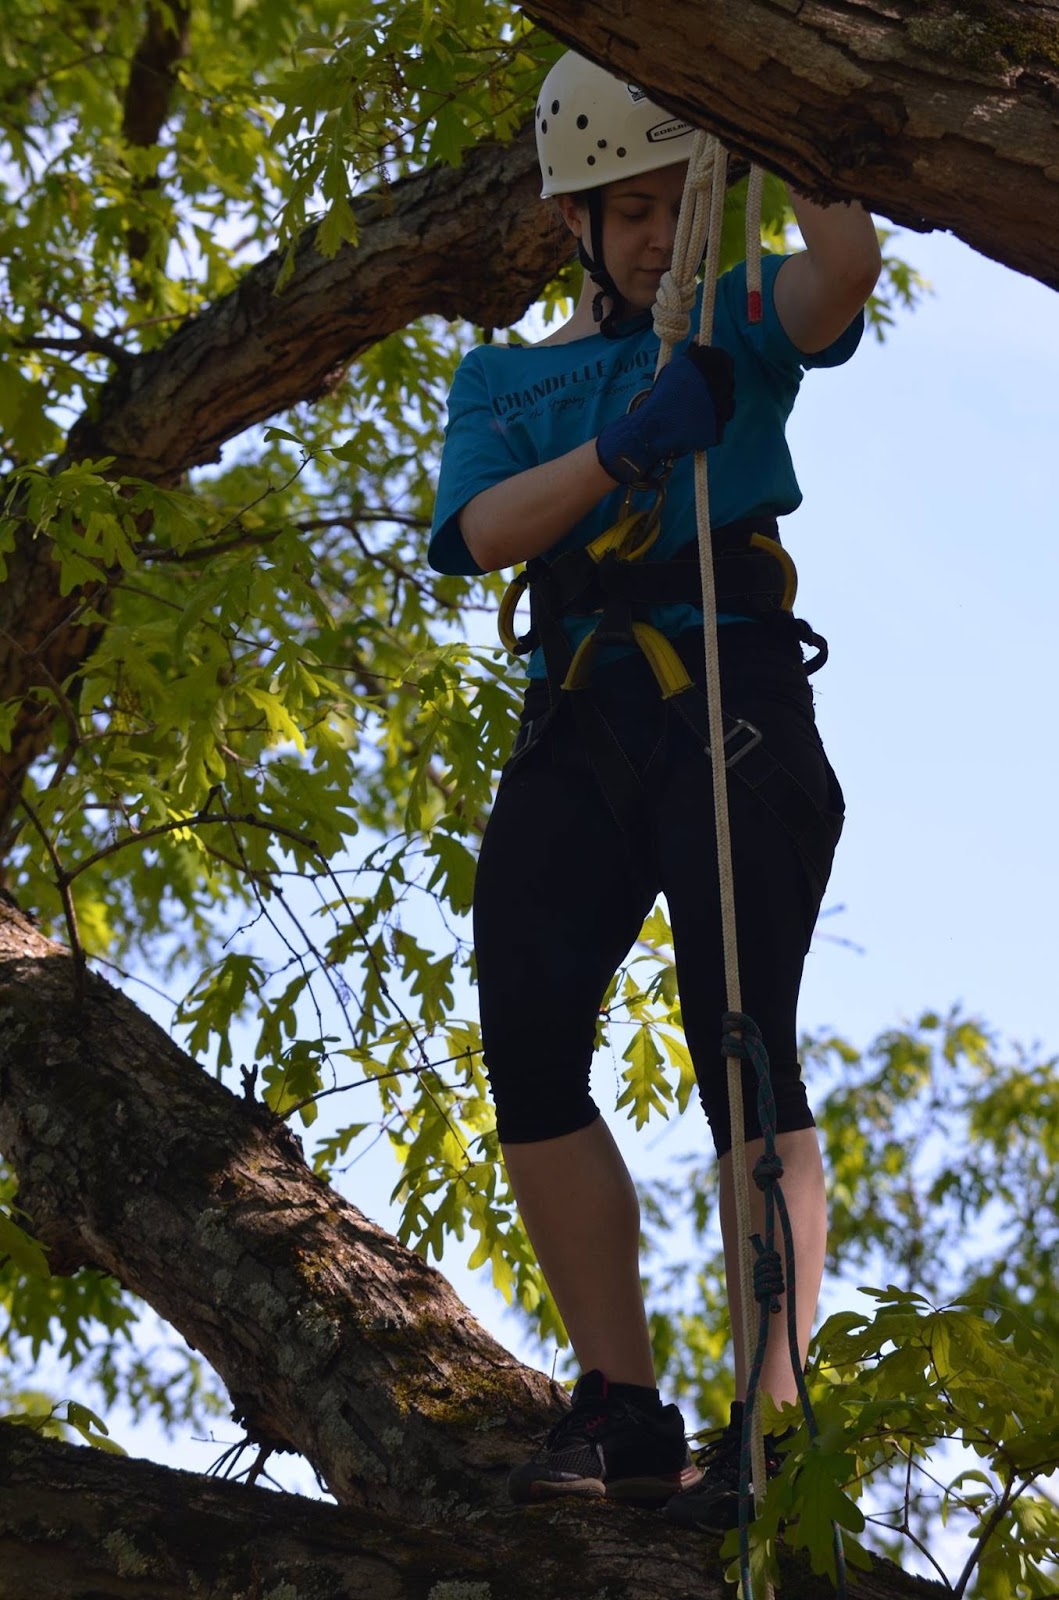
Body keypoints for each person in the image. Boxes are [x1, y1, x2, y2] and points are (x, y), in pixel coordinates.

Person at [428, 51, 881, 1527]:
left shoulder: (739, 309)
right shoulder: (509, 380)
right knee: (530, 1032)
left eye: (668, 205)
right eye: (620, 211)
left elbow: (840, 281)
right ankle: (621, 1405)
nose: (645, 236)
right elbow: (484, 531)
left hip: (734, 702)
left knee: (737, 1031)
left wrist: (796, 128)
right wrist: (620, 450)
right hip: (583, 721)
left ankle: (776, 1411)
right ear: (574, 221)